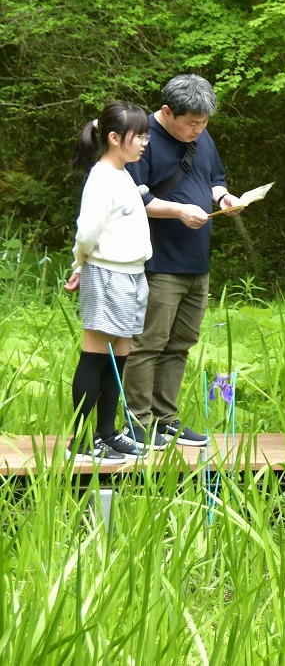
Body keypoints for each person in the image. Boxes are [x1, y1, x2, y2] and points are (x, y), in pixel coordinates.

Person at [123, 74, 240, 450]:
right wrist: (178, 211)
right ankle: (137, 423)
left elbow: (215, 178)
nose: (199, 129)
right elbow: (135, 198)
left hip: (196, 261)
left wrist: (222, 198)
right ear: (167, 111)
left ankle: (165, 418)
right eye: (192, 122)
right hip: (159, 261)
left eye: (204, 123)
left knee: (181, 343)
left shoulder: (201, 135)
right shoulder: (142, 139)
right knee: (148, 343)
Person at [64, 101, 154, 463]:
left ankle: (107, 432)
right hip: (107, 272)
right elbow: (87, 232)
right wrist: (79, 263)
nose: (145, 141)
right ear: (115, 138)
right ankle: (81, 440)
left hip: (133, 274)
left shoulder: (123, 173)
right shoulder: (101, 177)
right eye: (140, 135)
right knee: (95, 356)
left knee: (119, 356)